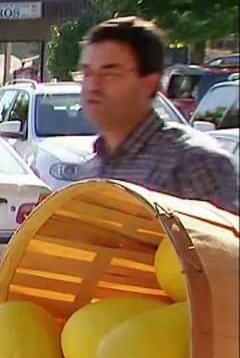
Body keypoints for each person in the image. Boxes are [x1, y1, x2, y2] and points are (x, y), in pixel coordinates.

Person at [77, 16, 239, 213]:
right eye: (87, 73)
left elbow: (223, 242)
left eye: (110, 73)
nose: (93, 86)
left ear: (150, 83)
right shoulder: (92, 167)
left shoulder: (195, 163)